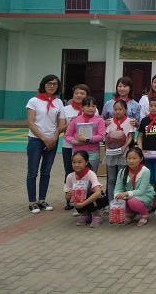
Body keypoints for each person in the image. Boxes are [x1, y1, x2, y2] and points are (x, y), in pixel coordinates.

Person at [26, 74, 65, 214]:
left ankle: (42, 200)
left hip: (52, 141)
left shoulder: (59, 102)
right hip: (36, 140)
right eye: (49, 83)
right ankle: (32, 202)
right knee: (32, 172)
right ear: (44, 84)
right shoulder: (34, 101)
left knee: (46, 172)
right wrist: (44, 139)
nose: (52, 86)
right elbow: (31, 123)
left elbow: (61, 124)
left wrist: (53, 138)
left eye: (55, 84)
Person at [62, 83, 90, 211]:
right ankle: (69, 200)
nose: (79, 95)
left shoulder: (91, 108)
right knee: (70, 172)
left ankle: (85, 198)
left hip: (86, 147)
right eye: (76, 93)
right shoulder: (66, 109)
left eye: (82, 93)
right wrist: (71, 122)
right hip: (68, 146)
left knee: (85, 172)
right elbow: (60, 128)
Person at [64, 150, 107, 227]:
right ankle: (85, 215)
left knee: (91, 195)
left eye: (79, 162)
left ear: (86, 162)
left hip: (96, 199)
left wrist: (83, 204)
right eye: (74, 162)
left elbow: (98, 193)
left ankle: (96, 216)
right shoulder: (70, 176)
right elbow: (67, 197)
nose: (76, 165)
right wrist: (68, 195)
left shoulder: (90, 174)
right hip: (81, 200)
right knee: (76, 197)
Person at [64, 96, 106, 178]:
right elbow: (67, 136)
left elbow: (101, 136)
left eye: (93, 106)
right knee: (77, 177)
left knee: (91, 176)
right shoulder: (75, 120)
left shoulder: (99, 120)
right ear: (82, 107)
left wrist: (87, 139)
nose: (91, 108)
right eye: (88, 106)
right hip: (77, 153)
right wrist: (75, 142)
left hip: (93, 153)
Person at [114, 147, 156, 227]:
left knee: (132, 201)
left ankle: (144, 214)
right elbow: (118, 188)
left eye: (134, 158)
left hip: (144, 194)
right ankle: (130, 214)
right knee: (119, 200)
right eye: (129, 158)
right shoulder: (122, 171)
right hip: (129, 195)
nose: (131, 161)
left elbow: (141, 191)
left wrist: (126, 193)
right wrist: (117, 195)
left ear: (141, 159)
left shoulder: (145, 171)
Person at [103, 99, 135, 202]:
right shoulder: (110, 121)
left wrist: (125, 146)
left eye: (120, 109)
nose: (117, 111)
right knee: (111, 179)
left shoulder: (129, 121)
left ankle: (121, 202)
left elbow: (130, 136)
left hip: (123, 153)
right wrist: (107, 147)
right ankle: (111, 202)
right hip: (111, 153)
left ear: (125, 110)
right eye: (115, 109)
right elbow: (107, 136)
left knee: (121, 178)